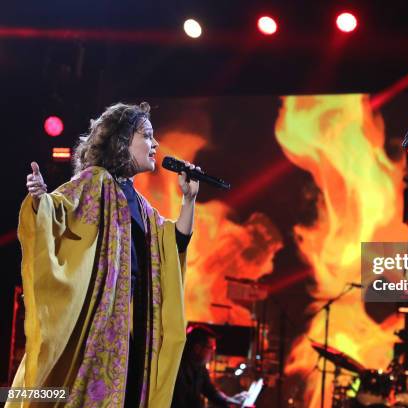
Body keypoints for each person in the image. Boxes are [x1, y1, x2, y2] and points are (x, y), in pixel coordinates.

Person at [12, 102, 200, 407]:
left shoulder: (141, 205)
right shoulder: (95, 181)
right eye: (147, 135)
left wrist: (189, 199)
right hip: (102, 323)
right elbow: (60, 209)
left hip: (134, 323)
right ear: (122, 141)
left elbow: (171, 242)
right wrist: (40, 200)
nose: (155, 144)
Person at [171, 327, 249, 408]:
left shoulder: (200, 366)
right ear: (197, 348)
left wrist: (228, 400)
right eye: (211, 348)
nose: (213, 352)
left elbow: (210, 390)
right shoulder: (178, 369)